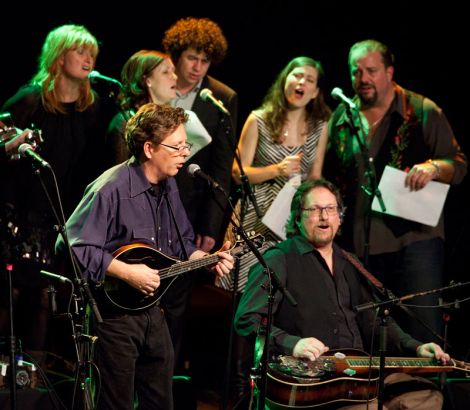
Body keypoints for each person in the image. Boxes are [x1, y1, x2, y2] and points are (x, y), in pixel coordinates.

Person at [56, 103, 234, 409]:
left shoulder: (170, 186)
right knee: (116, 402)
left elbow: (183, 246)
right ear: (149, 148)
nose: (184, 153)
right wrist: (127, 272)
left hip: (153, 310)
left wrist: (207, 260)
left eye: (185, 145)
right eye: (176, 146)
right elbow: (72, 246)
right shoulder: (110, 188)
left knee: (160, 399)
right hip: (113, 315)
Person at [235, 179, 449, 410]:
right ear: (297, 217)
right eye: (314, 210)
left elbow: (374, 320)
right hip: (312, 381)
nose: (324, 217)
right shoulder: (279, 258)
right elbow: (247, 318)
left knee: (427, 396)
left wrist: (415, 347)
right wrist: (292, 343)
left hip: (360, 373)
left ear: (339, 217)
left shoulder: (350, 262)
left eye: (330, 209)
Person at [325, 39, 467, 343]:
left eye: (371, 71)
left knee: (421, 328)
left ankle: (429, 391)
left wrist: (433, 168)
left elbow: (458, 163)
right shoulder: (342, 117)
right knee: (369, 332)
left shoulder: (420, 109)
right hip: (359, 246)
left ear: (389, 71)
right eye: (356, 72)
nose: (363, 79)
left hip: (415, 242)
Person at [0, 24, 115, 357]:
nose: (88, 58)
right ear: (58, 56)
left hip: (59, 213)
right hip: (20, 213)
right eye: (80, 51)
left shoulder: (92, 107)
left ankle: (36, 375)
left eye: (92, 52)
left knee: (45, 297)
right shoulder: (31, 97)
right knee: (13, 294)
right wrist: (14, 144)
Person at [162, 16, 238, 368]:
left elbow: (222, 166)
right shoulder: (158, 84)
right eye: (192, 57)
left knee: (177, 301)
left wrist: (211, 226)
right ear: (177, 55)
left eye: (205, 61)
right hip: (146, 204)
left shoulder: (221, 97)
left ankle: (169, 377)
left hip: (189, 212)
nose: (198, 67)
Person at [105, 49, 177, 167]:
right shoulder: (124, 122)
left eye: (173, 71)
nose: (174, 76)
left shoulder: (169, 120)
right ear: (147, 80)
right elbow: (118, 176)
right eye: (165, 72)